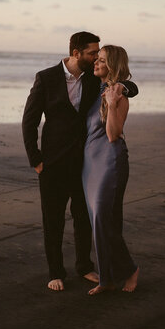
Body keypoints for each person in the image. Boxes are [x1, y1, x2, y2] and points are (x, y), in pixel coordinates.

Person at [22, 32, 138, 291]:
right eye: (92, 53)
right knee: (53, 219)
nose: (96, 57)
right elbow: (29, 121)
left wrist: (126, 87)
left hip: (84, 163)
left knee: (84, 218)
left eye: (98, 54)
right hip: (51, 164)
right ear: (76, 53)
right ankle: (55, 272)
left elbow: (125, 84)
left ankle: (84, 266)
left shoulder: (92, 80)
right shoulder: (46, 78)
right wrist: (36, 160)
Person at [82, 45, 139, 295]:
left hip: (110, 161)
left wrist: (113, 104)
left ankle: (128, 270)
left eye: (102, 60)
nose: (96, 62)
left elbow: (113, 135)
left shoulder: (117, 95)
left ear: (112, 66)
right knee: (100, 222)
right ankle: (109, 278)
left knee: (102, 219)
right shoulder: (96, 89)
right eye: (97, 58)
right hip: (90, 163)